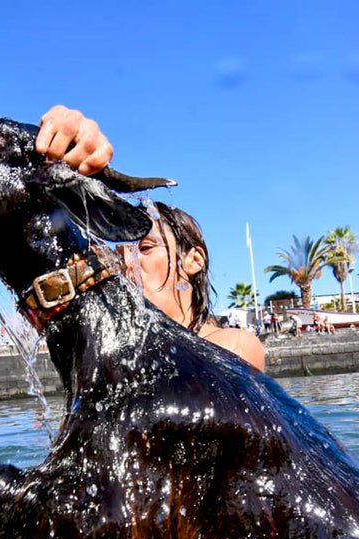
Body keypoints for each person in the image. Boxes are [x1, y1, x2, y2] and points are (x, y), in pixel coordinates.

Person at [36, 105, 265, 371]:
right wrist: (52, 149)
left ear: (194, 260)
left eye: (145, 248)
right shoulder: (121, 353)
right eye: (120, 257)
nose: (127, 266)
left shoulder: (234, 344)